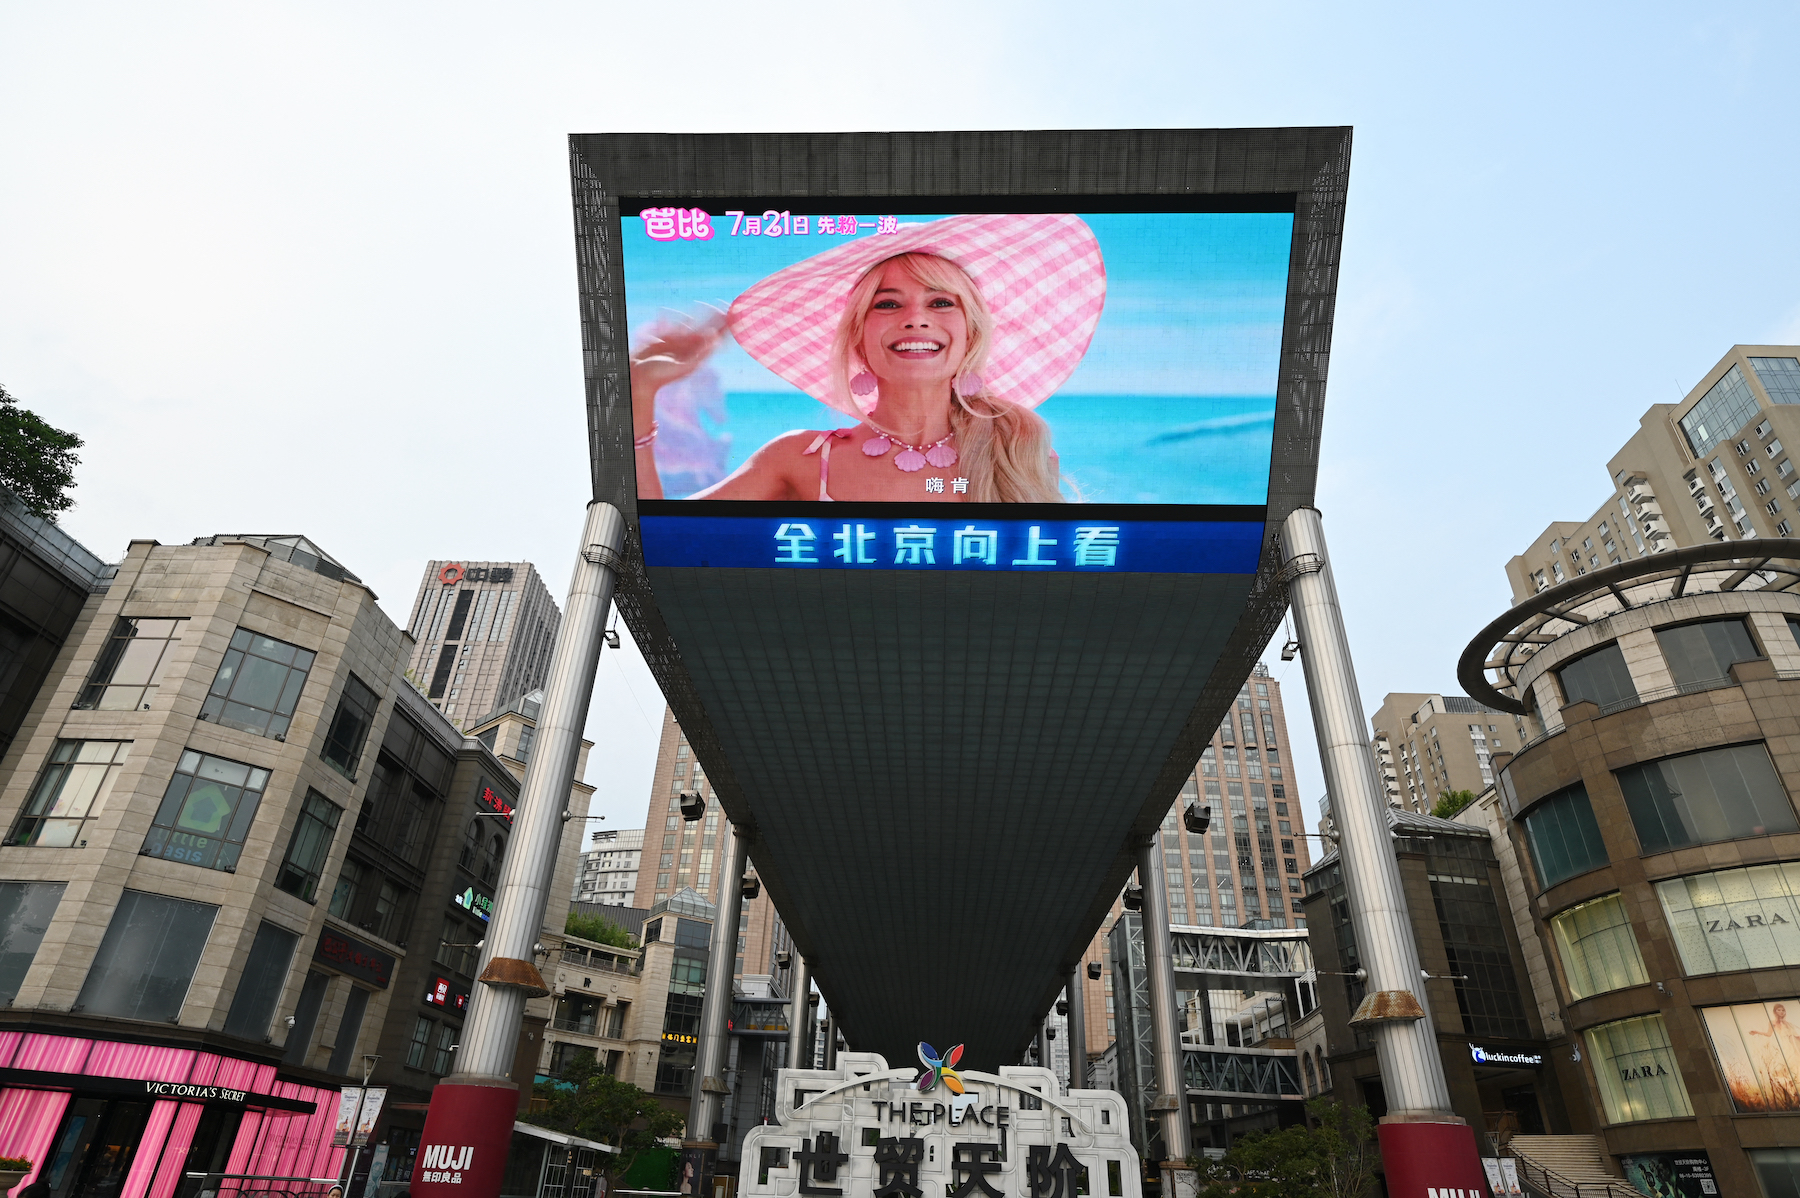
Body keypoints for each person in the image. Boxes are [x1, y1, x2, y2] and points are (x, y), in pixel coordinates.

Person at [630, 212, 1106, 504]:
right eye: (888, 304)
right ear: (858, 337)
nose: (916, 319)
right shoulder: (797, 459)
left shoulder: (1018, 452)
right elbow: (658, 543)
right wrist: (639, 388)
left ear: (971, 334)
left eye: (941, 302)